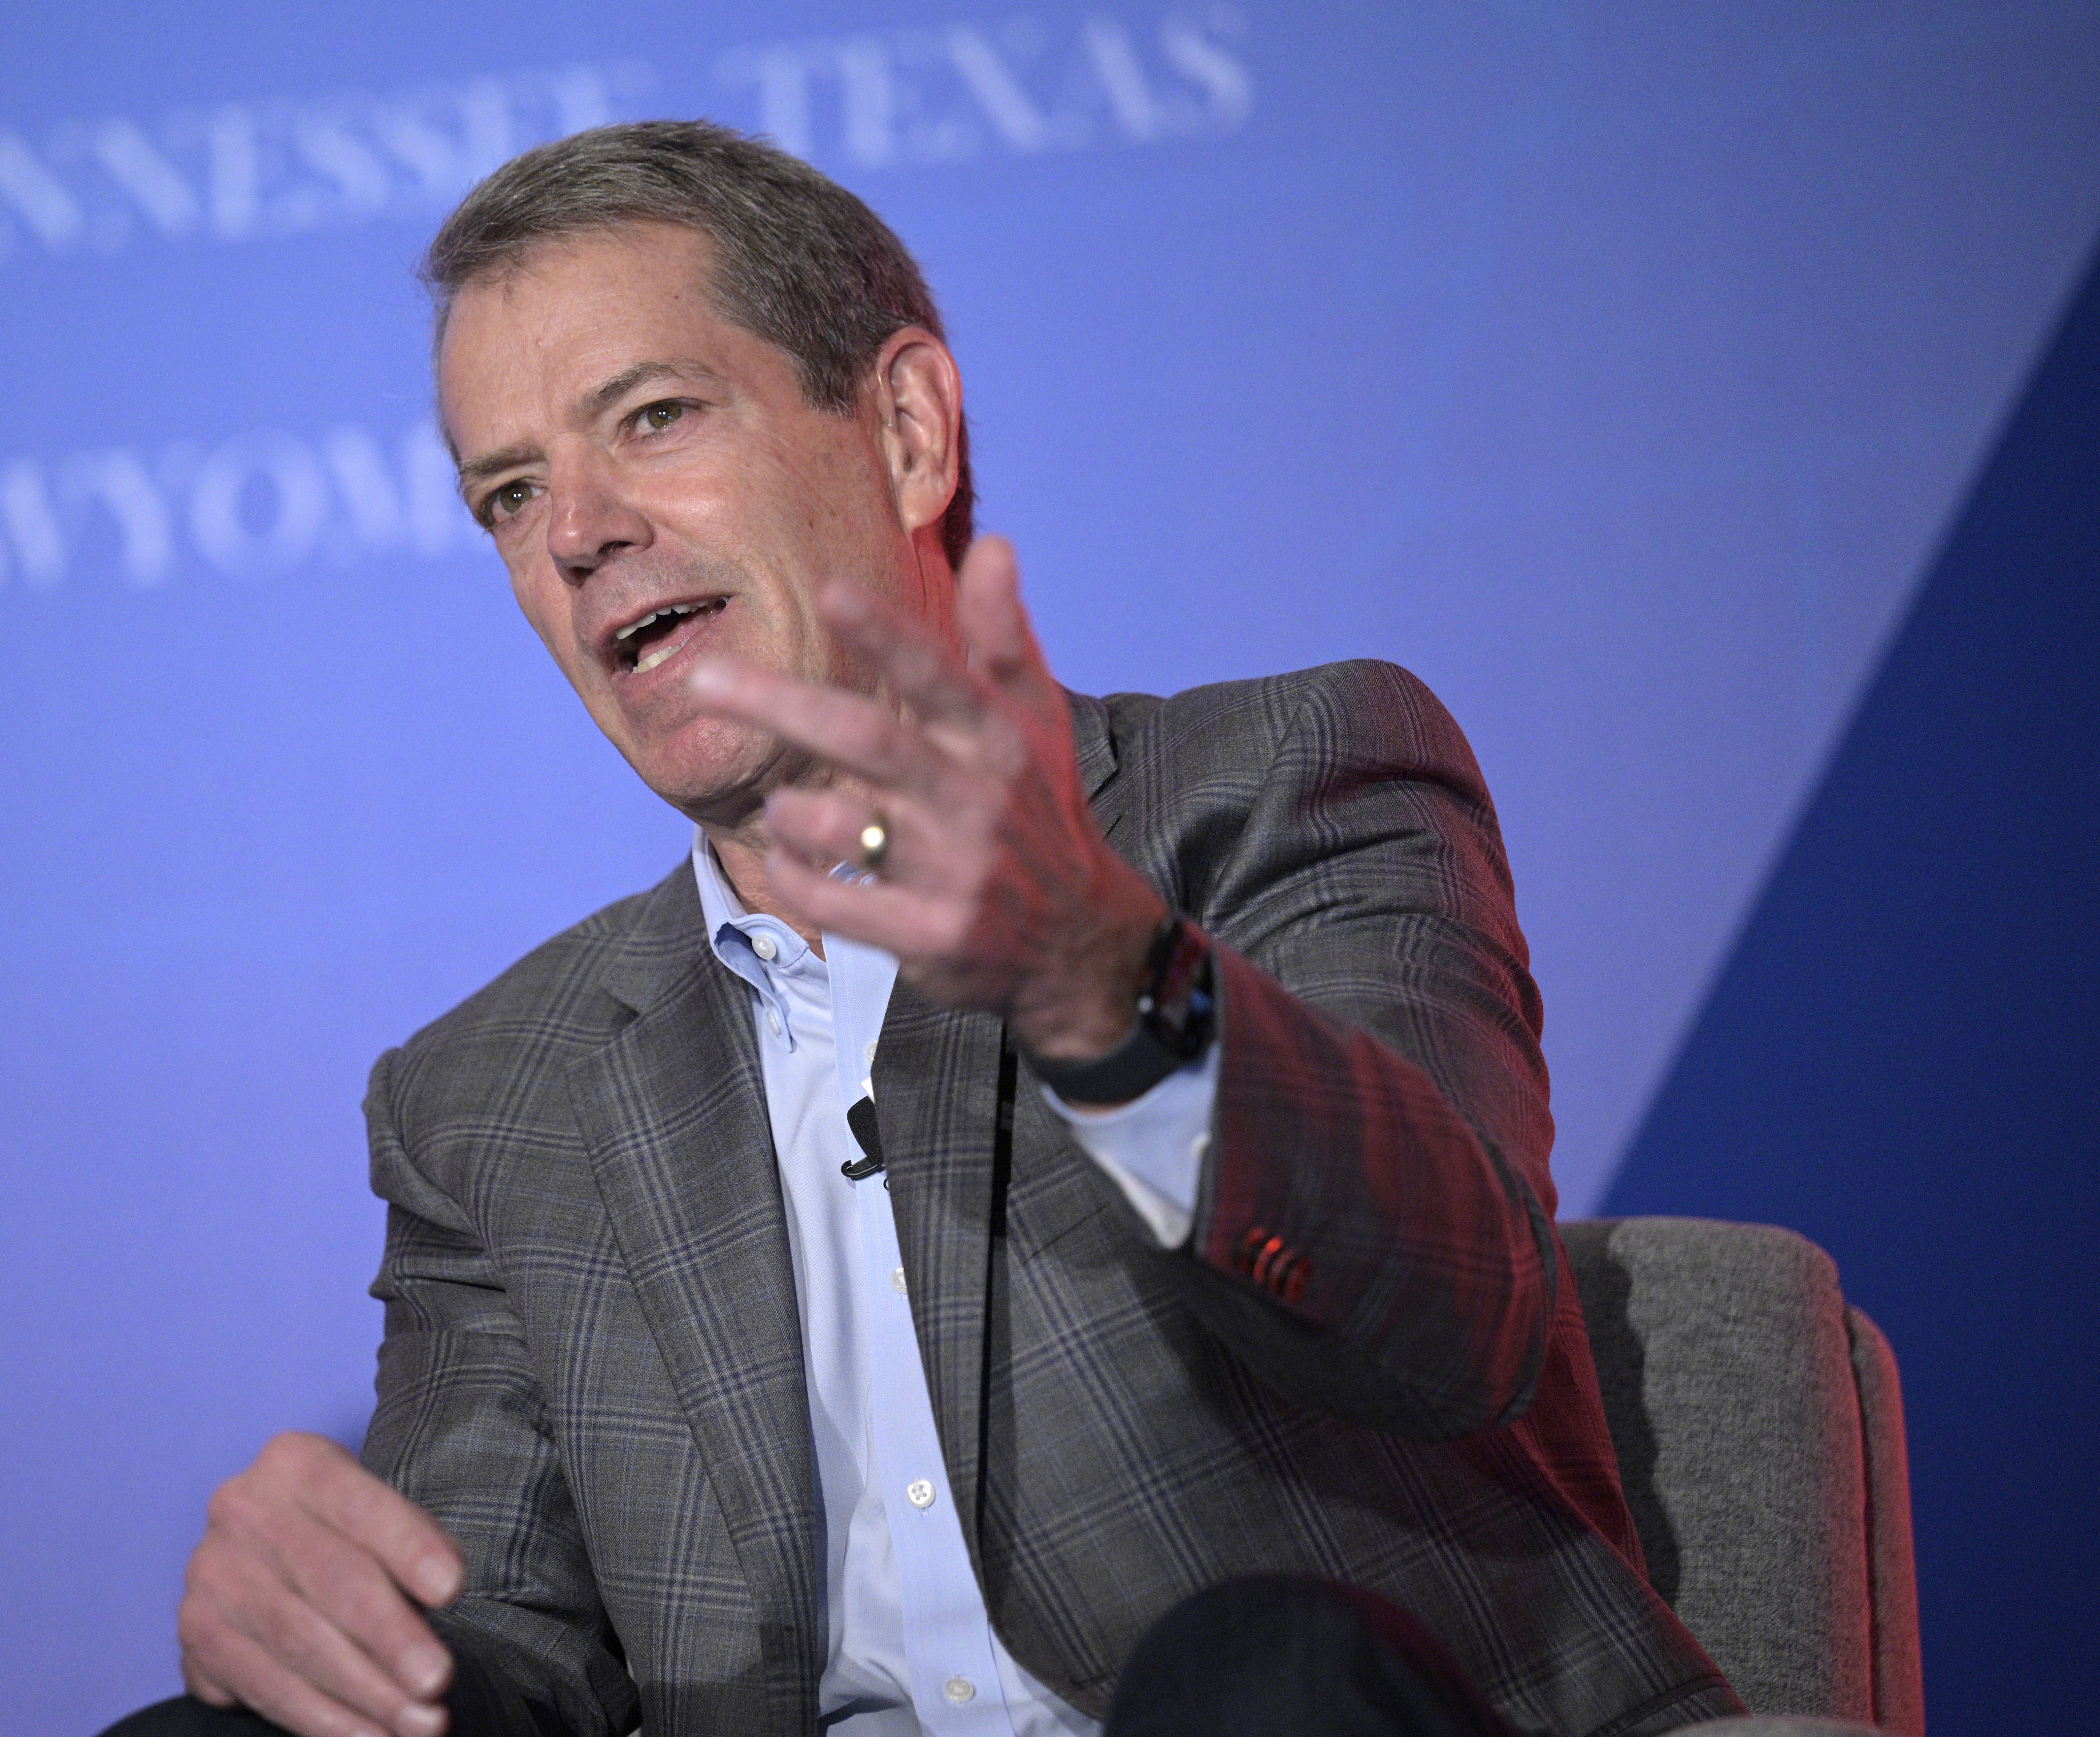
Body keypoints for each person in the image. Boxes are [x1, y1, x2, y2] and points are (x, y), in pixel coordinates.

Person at [107, 121, 1739, 1737]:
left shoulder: (1280, 784)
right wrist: (334, 1638)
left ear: (901, 431)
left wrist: (1096, 974)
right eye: (509, 496)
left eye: (653, 417)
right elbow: (501, 1657)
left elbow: (1453, 1316)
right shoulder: (485, 1098)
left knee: (1263, 1679)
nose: (575, 532)